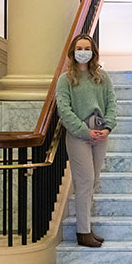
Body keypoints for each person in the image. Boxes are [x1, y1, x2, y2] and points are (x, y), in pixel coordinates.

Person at [56, 33, 117, 248]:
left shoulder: (102, 77)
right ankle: (83, 232)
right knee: (84, 181)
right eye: (79, 48)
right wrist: (84, 131)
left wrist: (108, 127)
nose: (83, 52)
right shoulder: (65, 80)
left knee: (93, 181)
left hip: (100, 133)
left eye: (87, 48)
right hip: (78, 135)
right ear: (73, 52)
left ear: (93, 52)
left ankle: (87, 227)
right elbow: (64, 110)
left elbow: (111, 103)